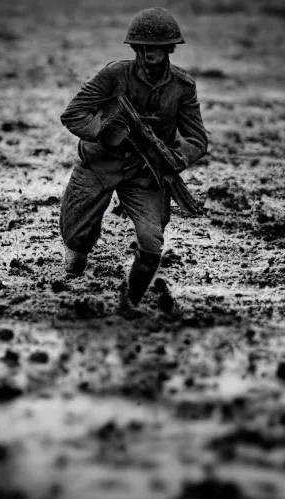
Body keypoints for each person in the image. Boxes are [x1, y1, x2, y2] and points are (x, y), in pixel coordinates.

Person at [58, 7, 208, 313]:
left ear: (169, 49)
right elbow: (73, 114)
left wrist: (174, 159)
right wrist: (103, 130)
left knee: (151, 243)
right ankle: (73, 268)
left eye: (157, 48)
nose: (150, 53)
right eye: (143, 47)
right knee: (76, 241)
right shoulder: (114, 75)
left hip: (145, 173)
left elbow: (197, 140)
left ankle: (130, 300)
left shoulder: (182, 88)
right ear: (136, 48)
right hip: (100, 164)